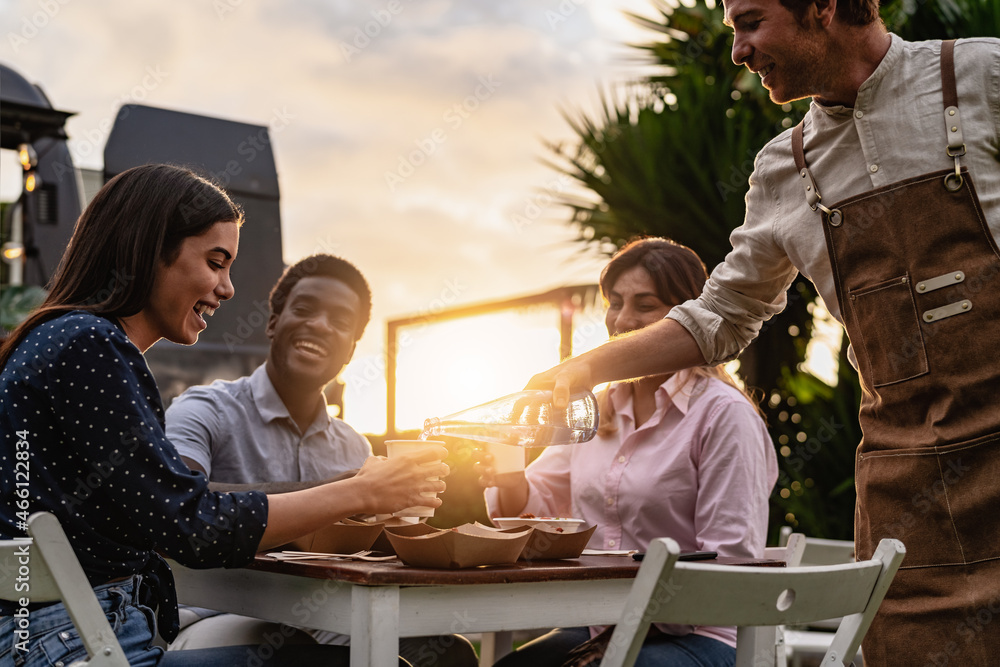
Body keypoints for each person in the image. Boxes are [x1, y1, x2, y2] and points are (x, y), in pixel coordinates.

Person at [528, 2, 1000, 665]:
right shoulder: (785, 168)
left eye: (750, 23)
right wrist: (584, 369)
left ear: (823, 7)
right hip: (907, 485)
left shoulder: (981, 76)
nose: (738, 51)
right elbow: (718, 317)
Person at [0, 164, 447, 667]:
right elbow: (191, 526)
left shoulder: (66, 340)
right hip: (72, 642)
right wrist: (362, 491)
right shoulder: (91, 345)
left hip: (64, 635)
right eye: (215, 262)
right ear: (149, 249)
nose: (228, 288)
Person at [164, 253, 478, 667]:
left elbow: (371, 552)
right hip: (215, 614)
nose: (319, 325)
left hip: (330, 615)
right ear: (273, 322)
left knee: (448, 652)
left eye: (340, 321)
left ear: (350, 350)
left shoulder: (353, 445)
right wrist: (351, 491)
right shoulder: (204, 409)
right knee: (303, 648)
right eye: (305, 310)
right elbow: (181, 500)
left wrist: (432, 513)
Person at [479, 238, 778, 667]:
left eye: (645, 304)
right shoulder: (596, 413)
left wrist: (621, 639)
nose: (622, 320)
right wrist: (509, 473)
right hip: (604, 624)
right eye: (615, 302)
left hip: (702, 633)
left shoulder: (723, 415)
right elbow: (532, 514)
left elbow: (726, 568)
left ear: (687, 318)